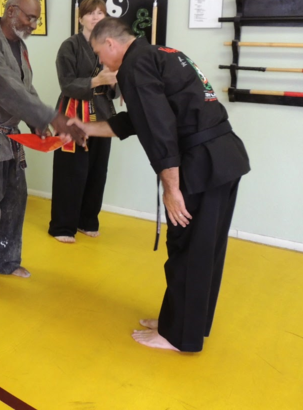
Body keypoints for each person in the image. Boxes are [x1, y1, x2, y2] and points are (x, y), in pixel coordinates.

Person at [74, 18, 250, 352]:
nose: (102, 63)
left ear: (111, 43)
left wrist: (172, 189)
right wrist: (86, 128)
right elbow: (138, 120)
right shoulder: (160, 54)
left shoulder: (134, 66)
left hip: (200, 164)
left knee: (188, 248)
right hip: (224, 157)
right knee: (205, 249)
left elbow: (160, 129)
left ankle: (178, 335)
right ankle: (184, 321)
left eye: (99, 54)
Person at [0, 0, 85, 295]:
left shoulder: (18, 46)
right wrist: (52, 116)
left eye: (37, 18)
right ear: (12, 11)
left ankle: (7, 261)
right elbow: (6, 89)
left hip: (8, 136)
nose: (34, 24)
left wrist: (36, 121)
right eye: (30, 17)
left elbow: (25, 88)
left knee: (14, 200)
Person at [49, 0, 118, 244]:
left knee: (98, 170)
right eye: (90, 13)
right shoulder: (70, 46)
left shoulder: (110, 45)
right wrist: (96, 80)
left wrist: (114, 83)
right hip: (73, 114)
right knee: (71, 171)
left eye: (100, 13)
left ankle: (87, 220)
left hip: (102, 114)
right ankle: (62, 226)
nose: (96, 17)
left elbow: (115, 83)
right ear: (80, 18)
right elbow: (66, 83)